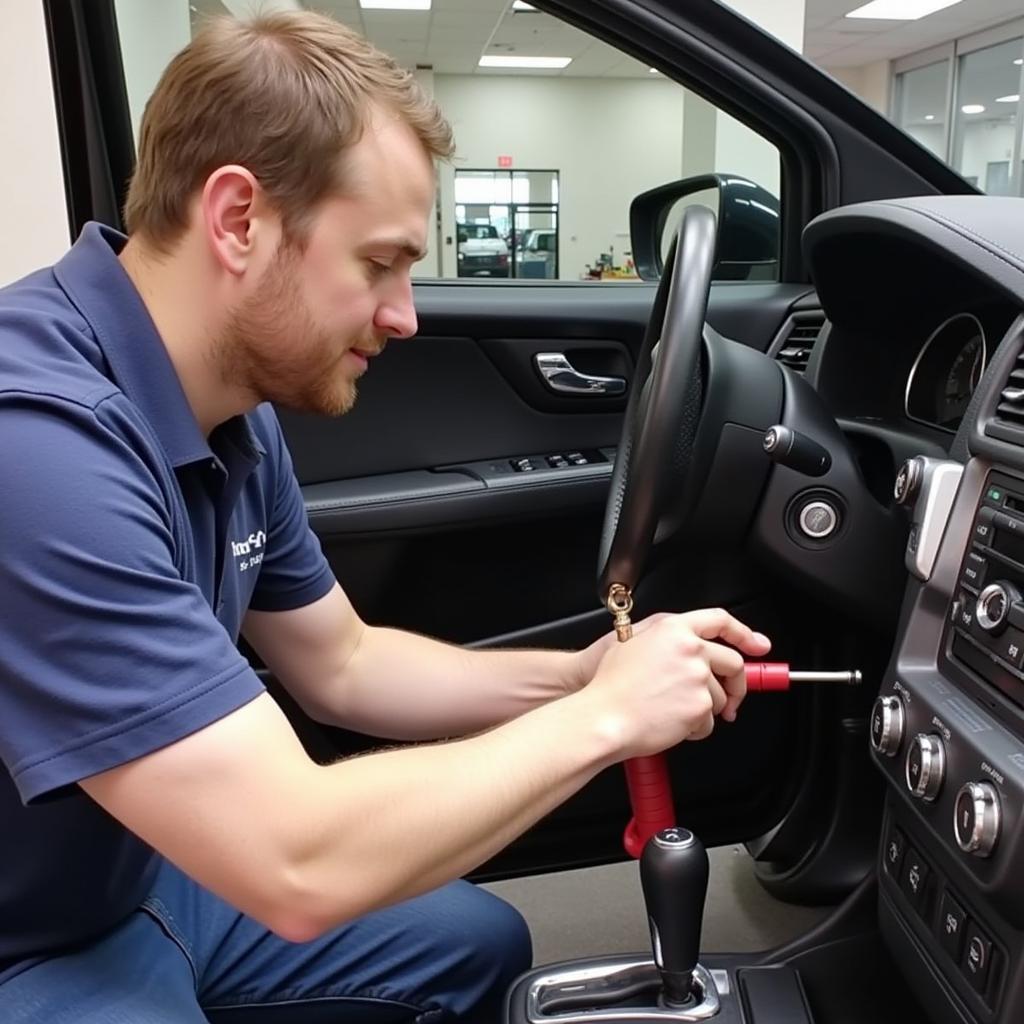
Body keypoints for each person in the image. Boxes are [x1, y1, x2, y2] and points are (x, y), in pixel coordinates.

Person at [0, 11, 771, 1023]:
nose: (405, 313)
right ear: (238, 219)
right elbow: (294, 855)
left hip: (138, 872)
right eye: (379, 263)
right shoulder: (37, 447)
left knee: (476, 946)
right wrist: (606, 716)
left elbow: (345, 663)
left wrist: (587, 672)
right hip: (27, 940)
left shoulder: (231, 410)